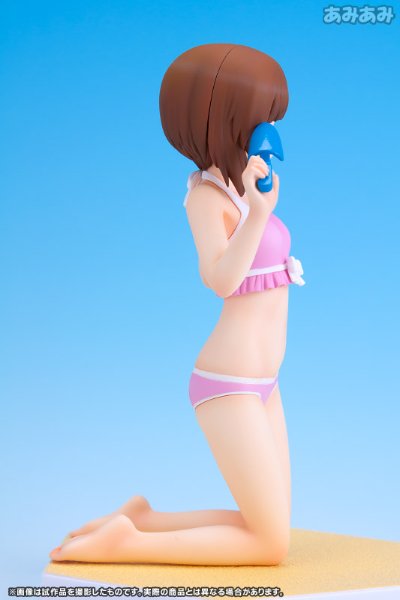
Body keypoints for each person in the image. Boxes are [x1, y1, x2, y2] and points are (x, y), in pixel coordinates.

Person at [49, 43, 305, 566]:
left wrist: (257, 203)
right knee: (270, 545)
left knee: (270, 522)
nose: (270, 127)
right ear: (222, 116)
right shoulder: (207, 196)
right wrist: (259, 215)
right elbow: (219, 279)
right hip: (230, 381)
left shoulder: (244, 183)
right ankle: (128, 545)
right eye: (263, 115)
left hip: (267, 380)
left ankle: (142, 518)